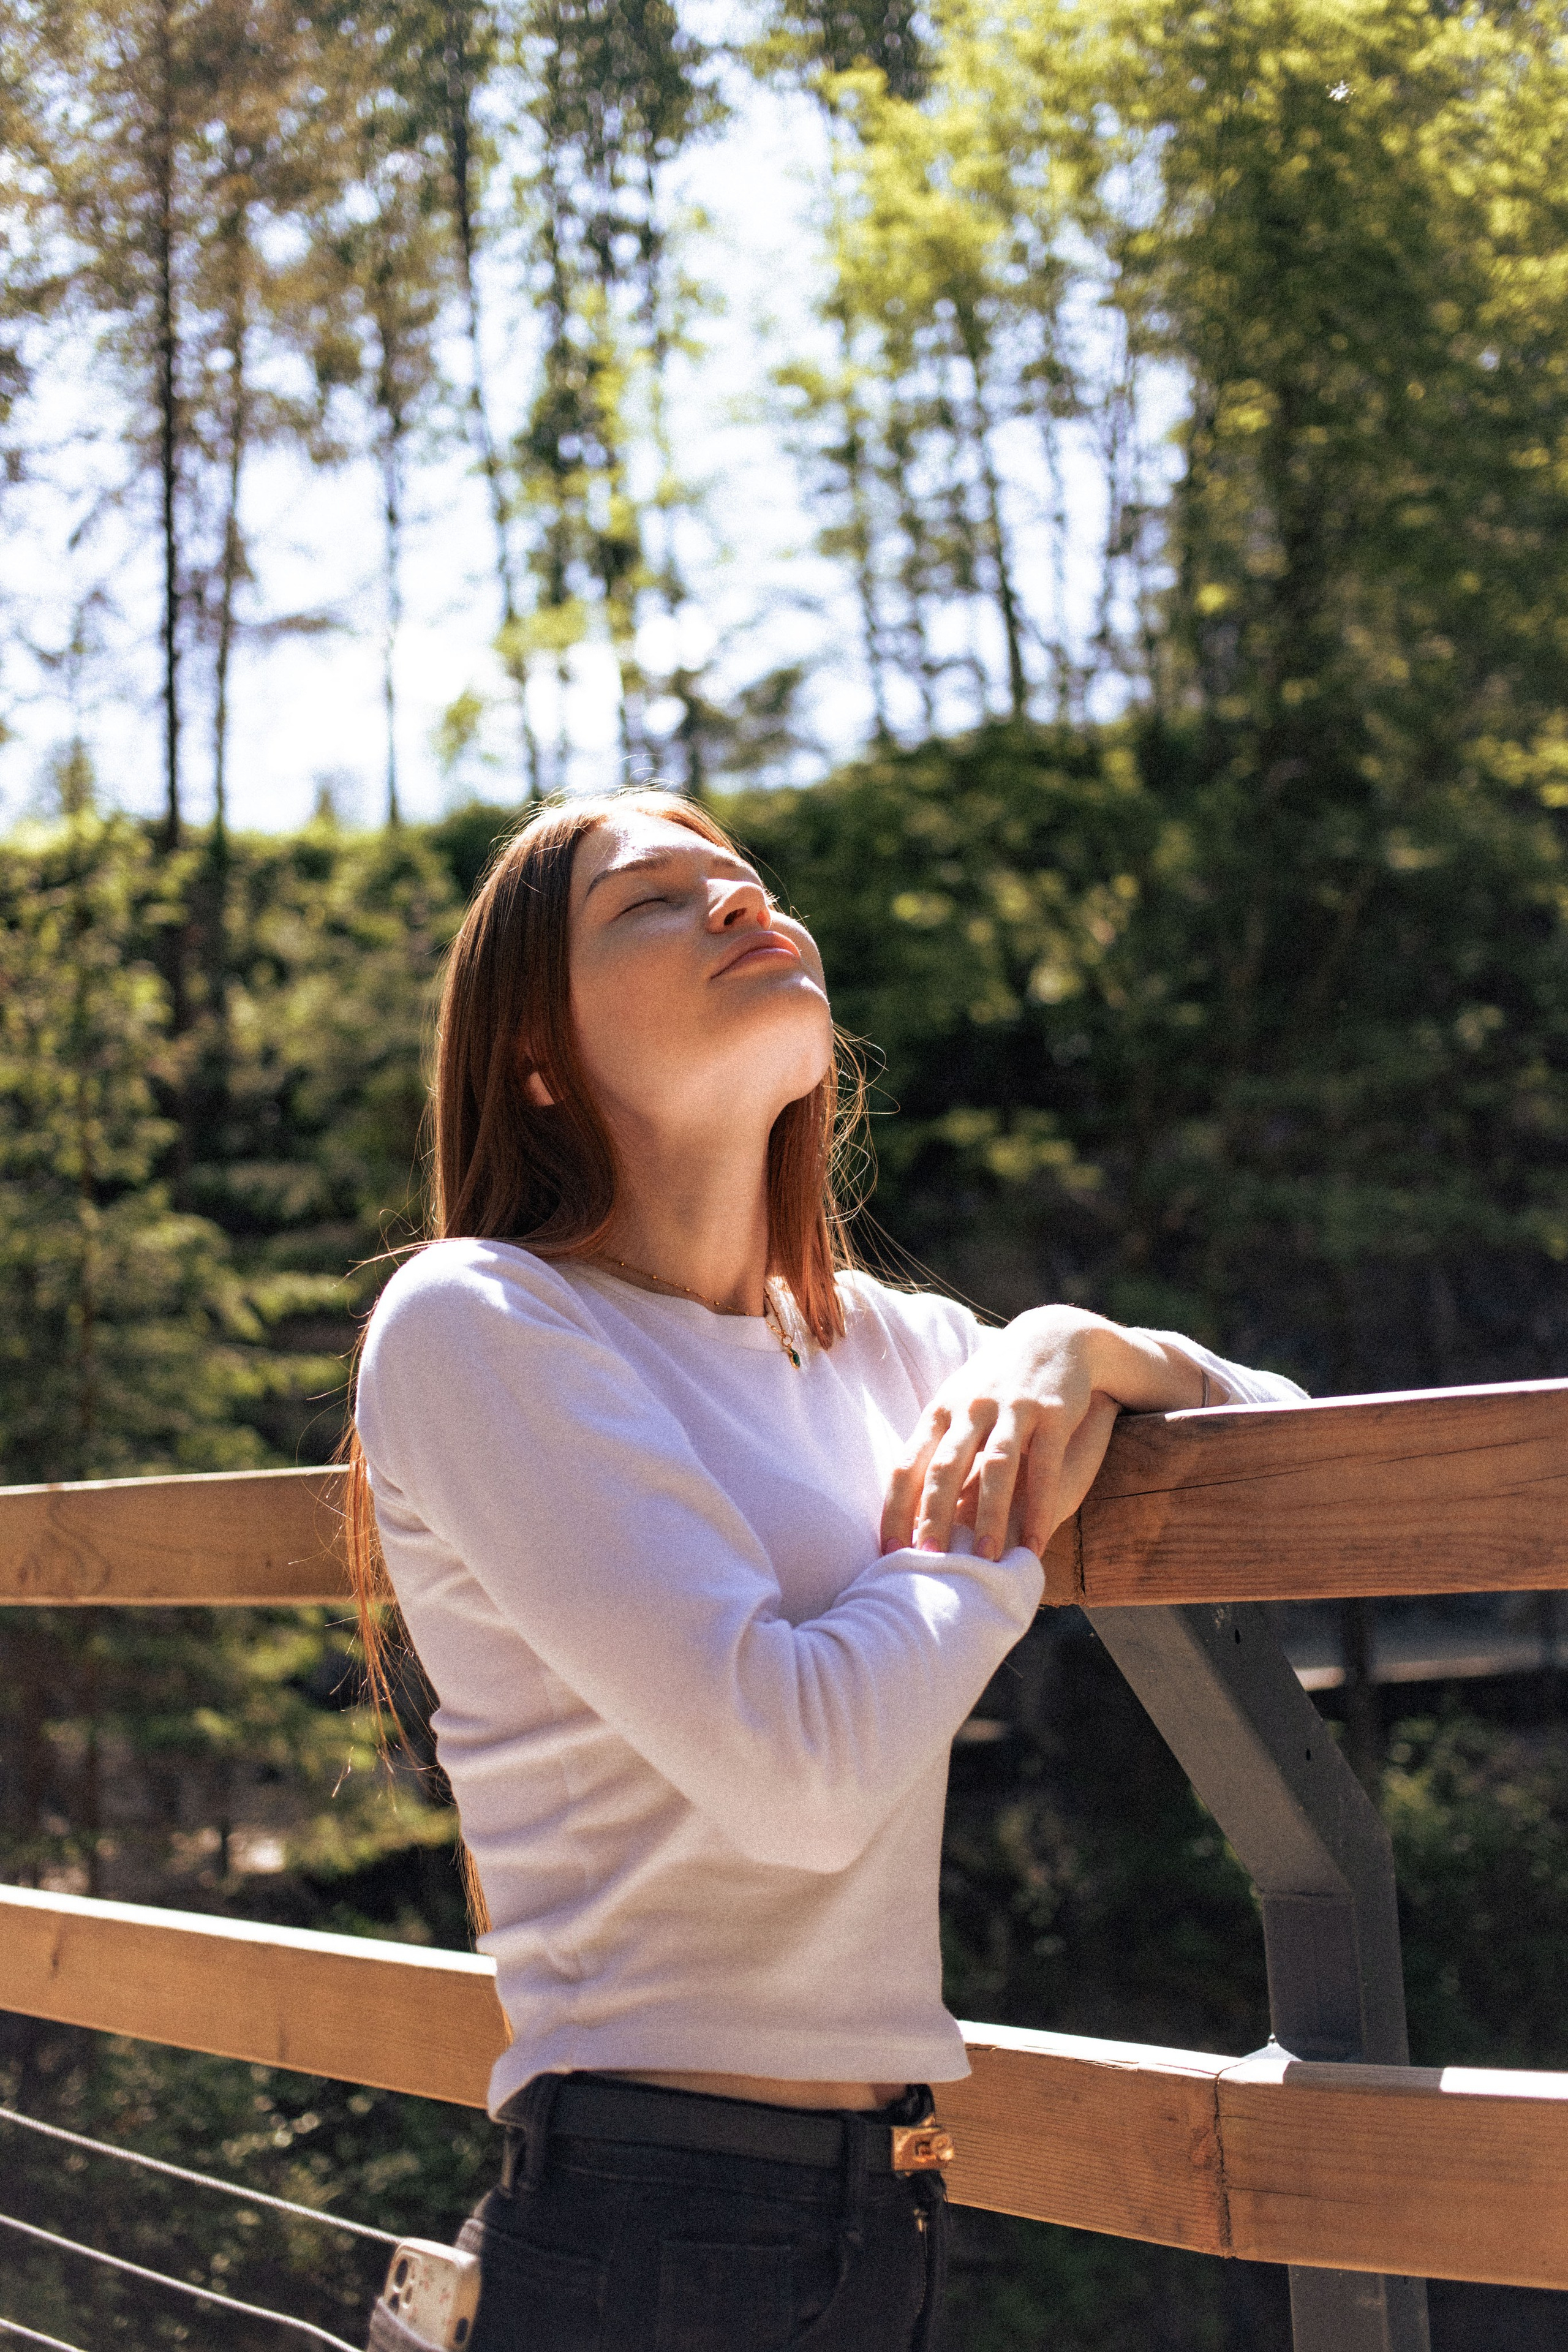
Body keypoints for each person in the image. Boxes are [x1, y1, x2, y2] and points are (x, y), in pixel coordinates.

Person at [349, 789, 1305, 2352]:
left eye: (741, 879)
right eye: (650, 902)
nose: (739, 902)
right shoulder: (480, 1319)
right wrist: (991, 1529)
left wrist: (1071, 1347)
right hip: (649, 2220)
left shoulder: (900, 1351)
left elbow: (1284, 1438)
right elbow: (798, 1775)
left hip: (887, 2206)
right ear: (533, 1060)